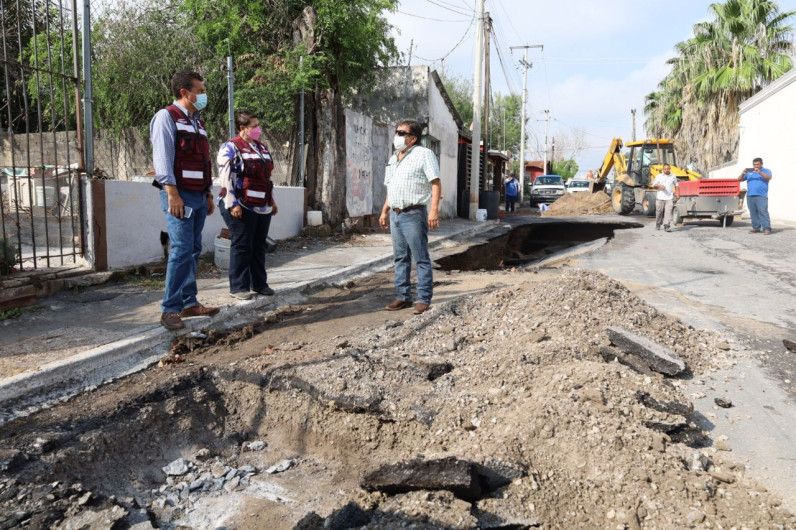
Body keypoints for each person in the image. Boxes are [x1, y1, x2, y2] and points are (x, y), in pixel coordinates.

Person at [151, 70, 218, 330]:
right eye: (200, 91)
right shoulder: (166, 117)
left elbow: (205, 161)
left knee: (193, 249)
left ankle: (189, 302)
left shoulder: (198, 123)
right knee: (180, 250)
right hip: (179, 195)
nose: (203, 95)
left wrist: (208, 193)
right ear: (184, 92)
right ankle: (170, 309)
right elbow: (163, 159)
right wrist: (172, 194)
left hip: (199, 195)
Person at [379, 120, 441, 315]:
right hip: (395, 214)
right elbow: (391, 187)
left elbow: (436, 183)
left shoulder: (424, 154)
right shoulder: (394, 158)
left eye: (401, 133)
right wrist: (384, 211)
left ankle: (423, 299)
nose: (396, 136)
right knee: (400, 257)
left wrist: (434, 210)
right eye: (396, 132)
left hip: (414, 213)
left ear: (413, 138)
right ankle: (403, 296)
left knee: (421, 258)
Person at [217, 110, 278, 300]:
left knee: (259, 245)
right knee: (242, 244)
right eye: (254, 126)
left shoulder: (261, 148)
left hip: (262, 204)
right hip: (240, 204)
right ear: (242, 128)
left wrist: (271, 200)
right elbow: (225, 177)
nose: (258, 129)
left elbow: (266, 177)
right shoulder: (230, 147)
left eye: (258, 125)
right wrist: (232, 204)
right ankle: (238, 287)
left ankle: (259, 284)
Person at [738, 158, 772, 234]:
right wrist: (743, 173)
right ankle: (756, 228)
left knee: (763, 212)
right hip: (750, 195)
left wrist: (760, 172)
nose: (756, 166)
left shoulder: (766, 171)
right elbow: (739, 179)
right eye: (754, 164)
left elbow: (769, 177)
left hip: (761, 195)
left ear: (762, 164)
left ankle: (766, 228)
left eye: (758, 164)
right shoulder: (749, 172)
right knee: (753, 213)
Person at [652, 163, 679, 232]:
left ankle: (667, 225)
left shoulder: (673, 176)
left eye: (668, 169)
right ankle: (658, 224)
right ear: (663, 169)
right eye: (665, 169)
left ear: (670, 169)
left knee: (668, 212)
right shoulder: (658, 176)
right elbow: (654, 185)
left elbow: (676, 185)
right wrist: (660, 186)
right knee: (659, 212)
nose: (666, 170)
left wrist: (678, 194)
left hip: (669, 198)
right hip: (660, 197)